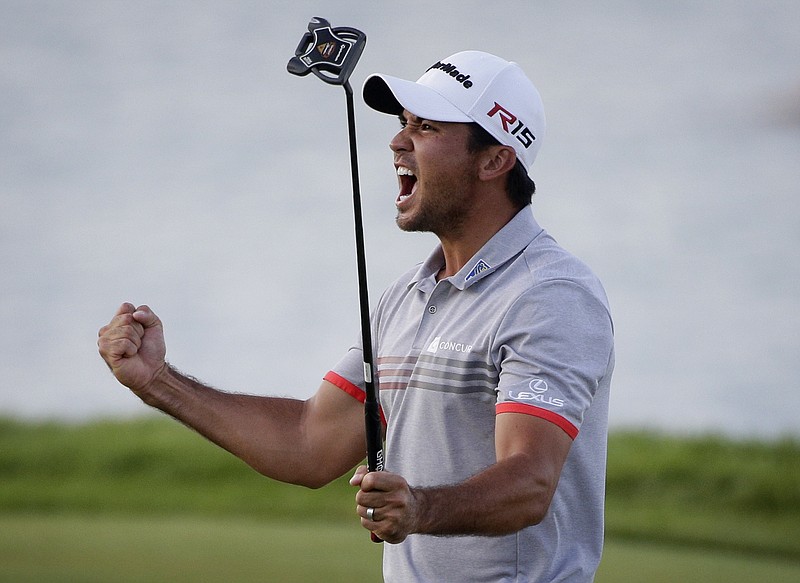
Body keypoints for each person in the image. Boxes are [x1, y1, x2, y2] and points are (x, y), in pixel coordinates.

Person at [98, 50, 614, 582]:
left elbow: (529, 483)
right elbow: (307, 443)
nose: (397, 141)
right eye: (403, 123)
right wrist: (157, 382)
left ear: (493, 160)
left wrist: (420, 508)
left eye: (427, 127)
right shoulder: (407, 296)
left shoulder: (550, 295)